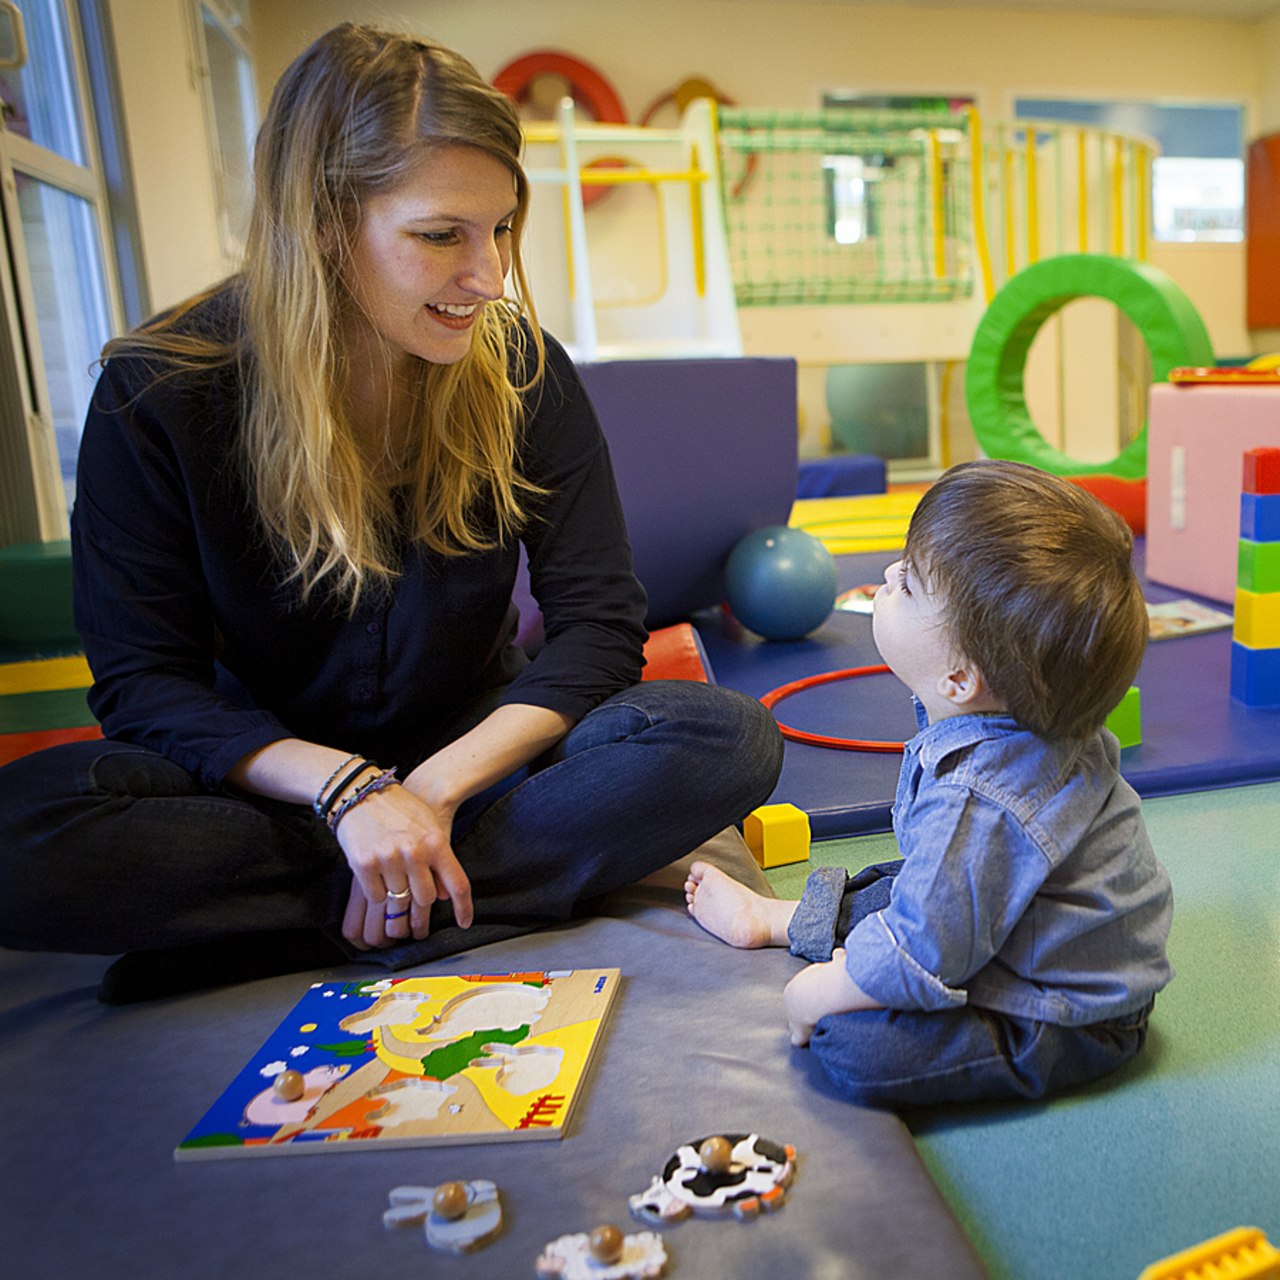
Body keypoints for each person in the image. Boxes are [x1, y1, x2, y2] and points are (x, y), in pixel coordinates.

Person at [0, 24, 783, 1003]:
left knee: (723, 737)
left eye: (500, 228)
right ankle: (447, 895)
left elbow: (597, 627)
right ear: (326, 222)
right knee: (18, 833)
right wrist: (346, 794)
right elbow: (144, 683)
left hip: (470, 763)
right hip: (267, 786)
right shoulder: (155, 391)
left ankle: (314, 914)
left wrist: (425, 794)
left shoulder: (523, 369)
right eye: (439, 235)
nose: (489, 274)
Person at [686, 460, 1173, 1108]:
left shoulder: (985, 796)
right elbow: (939, 890)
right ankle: (775, 920)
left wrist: (820, 992)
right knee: (904, 884)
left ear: (959, 679)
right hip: (1018, 924)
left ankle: (841, 963)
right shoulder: (1016, 715)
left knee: (853, 1045)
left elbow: (926, 943)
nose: (888, 574)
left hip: (1063, 1010)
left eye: (909, 583)